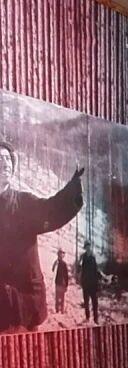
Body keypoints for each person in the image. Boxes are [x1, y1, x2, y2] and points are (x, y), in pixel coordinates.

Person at [0, 142, 83, 332]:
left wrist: (72, 190)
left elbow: (50, 210)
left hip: (24, 304)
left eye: (8, 159)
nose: (5, 163)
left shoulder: (24, 203)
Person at [77, 240, 101, 323]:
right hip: (85, 283)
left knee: (95, 302)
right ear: (85, 247)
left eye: (88, 246)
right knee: (86, 302)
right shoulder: (82, 257)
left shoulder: (93, 257)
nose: (88, 248)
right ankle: (87, 317)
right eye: (86, 246)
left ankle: (95, 319)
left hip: (93, 284)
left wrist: (99, 279)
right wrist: (79, 262)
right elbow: (78, 269)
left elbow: (96, 270)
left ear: (90, 247)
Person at [52, 249, 69, 313]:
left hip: (62, 283)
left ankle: (61, 309)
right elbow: (53, 270)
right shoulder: (56, 263)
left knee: (62, 297)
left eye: (61, 254)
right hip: (57, 282)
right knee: (57, 296)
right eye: (59, 254)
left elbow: (66, 275)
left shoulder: (64, 264)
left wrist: (66, 284)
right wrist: (55, 264)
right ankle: (57, 309)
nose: (60, 256)